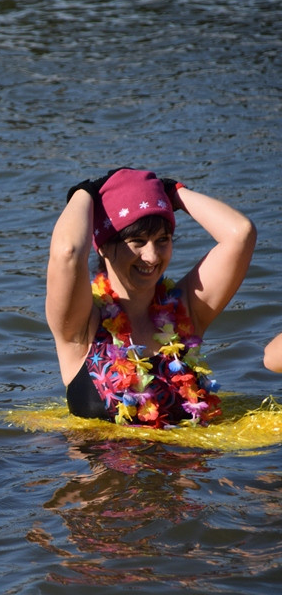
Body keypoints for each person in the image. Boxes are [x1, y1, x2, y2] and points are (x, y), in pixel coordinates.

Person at [46, 167, 256, 428]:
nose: (152, 256)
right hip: (104, 467)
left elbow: (241, 234)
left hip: (186, 467)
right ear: (102, 247)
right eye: (137, 241)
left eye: (162, 239)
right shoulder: (82, 325)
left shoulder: (185, 310)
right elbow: (67, 252)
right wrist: (83, 192)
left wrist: (174, 193)